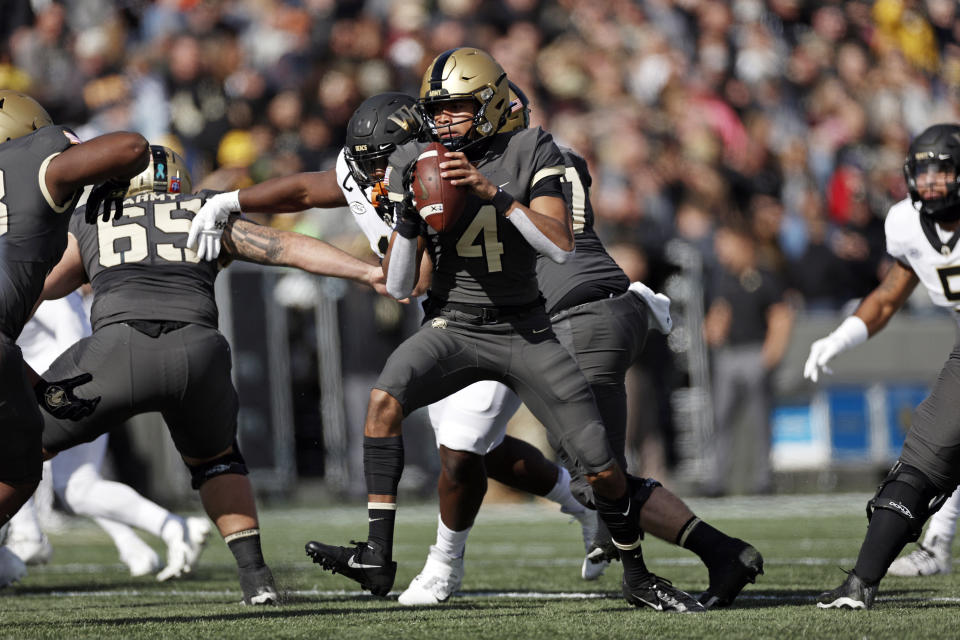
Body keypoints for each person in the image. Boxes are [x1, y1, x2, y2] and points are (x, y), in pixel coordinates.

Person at [299, 46, 709, 613]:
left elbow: (561, 247)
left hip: (525, 326)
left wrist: (494, 192)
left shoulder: (530, 147)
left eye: (457, 108)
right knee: (385, 402)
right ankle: (378, 550)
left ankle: (636, 572)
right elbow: (399, 286)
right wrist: (407, 219)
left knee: (601, 464)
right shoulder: (416, 161)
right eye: (436, 110)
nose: (442, 121)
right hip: (456, 325)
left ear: (491, 103)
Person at [189, 91, 606, 584]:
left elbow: (416, 279)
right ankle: (581, 507)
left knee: (463, 443)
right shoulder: (368, 169)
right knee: (479, 450)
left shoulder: (447, 168)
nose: (370, 180)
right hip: (452, 321)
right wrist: (231, 200)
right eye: (364, 167)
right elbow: (310, 190)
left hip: (507, 316)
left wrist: (407, 217)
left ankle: (437, 564)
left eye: (380, 166)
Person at [397, 83, 764, 609]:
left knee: (598, 477)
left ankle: (722, 552)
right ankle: (708, 551)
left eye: (462, 112)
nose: (451, 125)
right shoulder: (555, 157)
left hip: (571, 320)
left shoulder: (503, 168)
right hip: (604, 307)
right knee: (576, 463)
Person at [36, 145, 389, 604]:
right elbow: (283, 247)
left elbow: (46, 283)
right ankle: (256, 578)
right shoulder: (203, 208)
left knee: (18, 441)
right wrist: (365, 272)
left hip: (116, 352)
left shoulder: (95, 216)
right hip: (198, 353)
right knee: (217, 460)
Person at [806, 123, 960, 609]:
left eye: (945, 171)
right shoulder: (906, 225)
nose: (933, 182)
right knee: (921, 462)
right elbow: (889, 295)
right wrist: (839, 337)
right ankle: (861, 584)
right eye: (925, 171)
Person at [0, 89, 150, 547]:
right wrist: (71, 145)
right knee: (20, 472)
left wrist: (40, 387)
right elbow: (133, 147)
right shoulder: (38, 158)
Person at [6, 292, 211, 580]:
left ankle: (26, 535)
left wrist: (61, 389)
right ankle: (148, 539)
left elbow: (68, 320)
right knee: (79, 488)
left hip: (62, 392)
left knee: (22, 458)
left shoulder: (21, 272)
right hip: (57, 389)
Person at [702, 223, 794, 496]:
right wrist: (712, 329)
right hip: (729, 355)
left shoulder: (765, 278)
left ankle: (762, 479)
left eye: (725, 245)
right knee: (722, 418)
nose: (721, 252)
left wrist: (771, 354)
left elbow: (780, 317)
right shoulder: (724, 278)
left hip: (755, 352)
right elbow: (720, 311)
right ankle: (717, 479)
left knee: (759, 419)